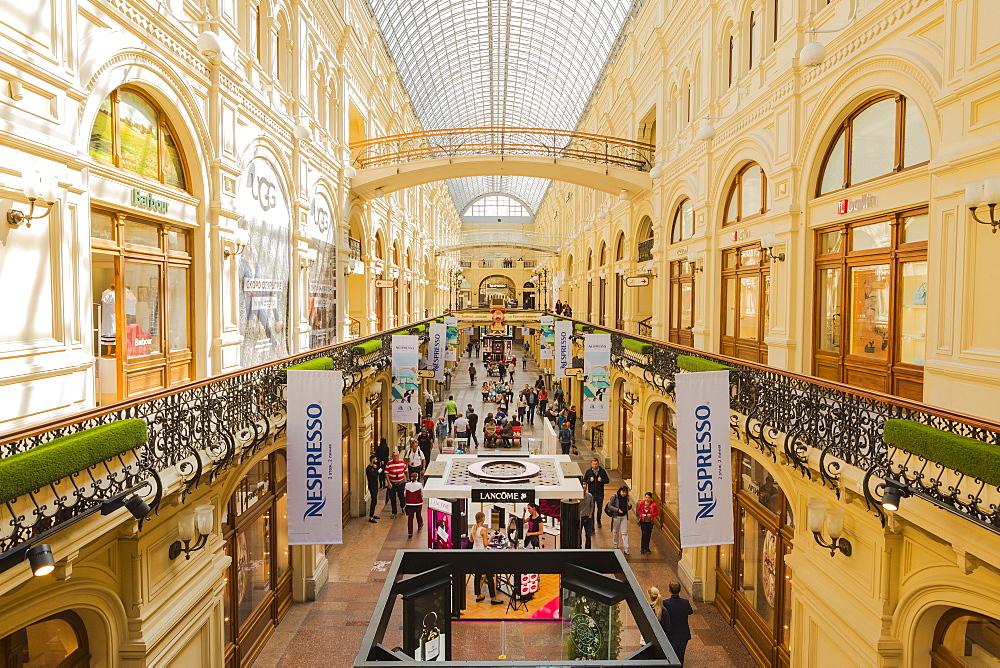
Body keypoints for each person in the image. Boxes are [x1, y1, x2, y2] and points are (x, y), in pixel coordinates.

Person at [470, 512, 504, 604]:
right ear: (483, 518)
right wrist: (491, 537)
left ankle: (478, 595)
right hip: (482, 554)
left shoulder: (473, 527)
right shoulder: (483, 530)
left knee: (477, 575)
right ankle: (493, 598)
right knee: (490, 575)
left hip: (475, 553)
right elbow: (485, 544)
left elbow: (471, 540)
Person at [662, 582, 693, 664]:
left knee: (672, 657)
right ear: (680, 590)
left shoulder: (665, 603)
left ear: (669, 590)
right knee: (681, 656)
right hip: (683, 634)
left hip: (671, 634)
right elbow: (690, 612)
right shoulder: (685, 602)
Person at [582, 459, 610, 528]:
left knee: (599, 508)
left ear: (598, 464)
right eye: (593, 464)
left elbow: (607, 480)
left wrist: (602, 480)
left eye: (596, 464)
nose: (595, 465)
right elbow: (584, 480)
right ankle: (592, 526)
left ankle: (598, 520)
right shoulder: (588, 472)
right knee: (592, 509)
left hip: (600, 493)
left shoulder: (602, 471)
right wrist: (589, 481)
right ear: (591, 464)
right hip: (591, 493)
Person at [608, 485, 632, 555]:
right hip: (616, 516)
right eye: (623, 492)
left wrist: (630, 505)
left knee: (625, 532)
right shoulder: (614, 497)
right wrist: (617, 510)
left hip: (624, 516)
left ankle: (626, 548)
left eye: (625, 492)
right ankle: (615, 544)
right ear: (620, 491)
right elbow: (610, 505)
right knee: (615, 531)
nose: (624, 493)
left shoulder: (627, 498)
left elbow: (628, 508)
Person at [385, 450, 407, 518]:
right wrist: (388, 482)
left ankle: (402, 506)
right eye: (394, 456)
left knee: (401, 497)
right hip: (392, 484)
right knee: (393, 498)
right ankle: (394, 512)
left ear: (398, 456)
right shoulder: (389, 463)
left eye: (396, 456)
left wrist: (407, 480)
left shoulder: (402, 462)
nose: (395, 457)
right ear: (392, 457)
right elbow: (386, 473)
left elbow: (406, 471)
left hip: (401, 483)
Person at [404, 472, 424, 538]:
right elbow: (422, 493)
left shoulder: (407, 485)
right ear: (417, 478)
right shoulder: (420, 485)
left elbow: (405, 494)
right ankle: (420, 525)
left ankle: (410, 532)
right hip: (418, 503)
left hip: (409, 504)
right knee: (418, 515)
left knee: (410, 518)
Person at [366, 456, 382, 523]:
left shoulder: (373, 467)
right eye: (375, 459)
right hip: (372, 486)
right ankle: (371, 517)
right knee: (374, 500)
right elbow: (373, 476)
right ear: (372, 460)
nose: (376, 460)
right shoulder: (369, 468)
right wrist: (376, 470)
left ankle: (372, 514)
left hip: (375, 485)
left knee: (375, 500)